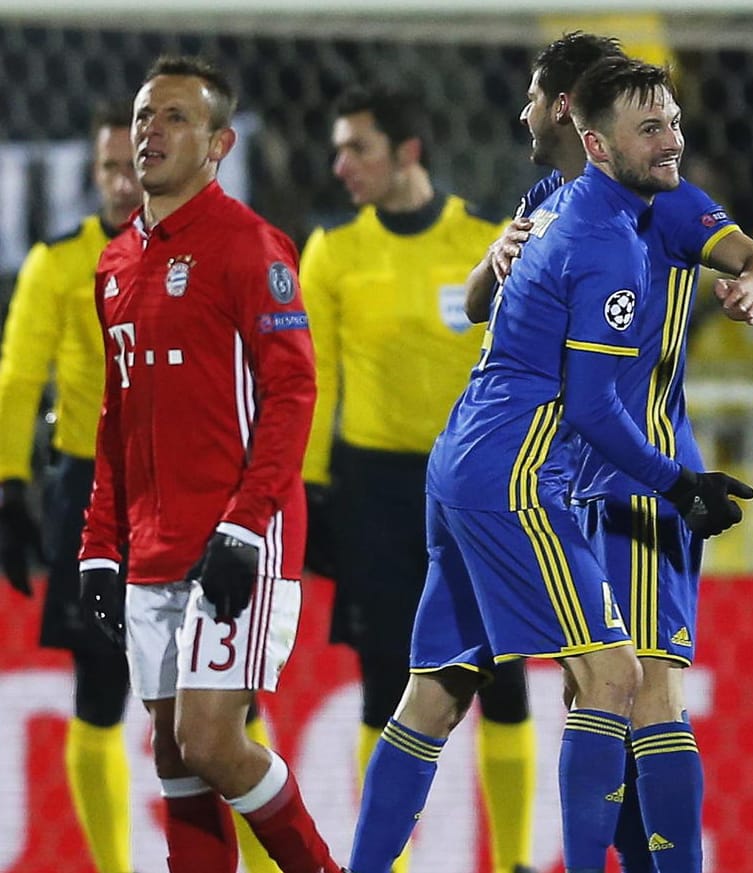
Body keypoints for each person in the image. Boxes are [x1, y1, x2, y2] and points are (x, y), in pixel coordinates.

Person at [347, 57, 752, 873]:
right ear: (596, 137)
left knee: (434, 690)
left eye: (673, 124)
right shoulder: (609, 243)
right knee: (616, 676)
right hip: (521, 474)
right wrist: (680, 482)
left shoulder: (561, 209)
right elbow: (595, 407)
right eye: (652, 128)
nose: (673, 142)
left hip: (458, 457)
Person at [463, 33, 753, 873]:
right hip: (562, 484)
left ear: (569, 111)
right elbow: (472, 308)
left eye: (537, 97)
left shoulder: (668, 203)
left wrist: (752, 286)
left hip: (649, 483)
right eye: (656, 122)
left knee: (650, 689)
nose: (526, 112)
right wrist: (492, 258)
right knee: (593, 696)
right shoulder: (552, 201)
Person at [0, 100, 281, 873]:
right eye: (108, 168)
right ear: (93, 175)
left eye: (133, 162)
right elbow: (19, 374)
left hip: (190, 482)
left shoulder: (218, 252)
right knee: (97, 689)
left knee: (221, 708)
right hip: (95, 488)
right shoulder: (62, 263)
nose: (124, 181)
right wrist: (9, 480)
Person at [77, 54, 339, 873]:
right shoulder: (116, 265)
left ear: (221, 142)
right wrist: (98, 541)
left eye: (176, 117)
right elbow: (118, 415)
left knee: (213, 739)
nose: (150, 130)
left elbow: (294, 391)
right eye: (144, 114)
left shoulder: (251, 248)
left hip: (237, 539)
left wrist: (242, 523)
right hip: (151, 545)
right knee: (174, 755)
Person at [298, 85, 537, 873]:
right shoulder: (332, 250)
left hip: (479, 484)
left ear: (408, 152)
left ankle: (511, 862)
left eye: (356, 148)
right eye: (337, 149)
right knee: (384, 682)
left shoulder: (485, 238)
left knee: (502, 680)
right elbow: (318, 379)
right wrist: (311, 487)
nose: (341, 166)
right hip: (373, 491)